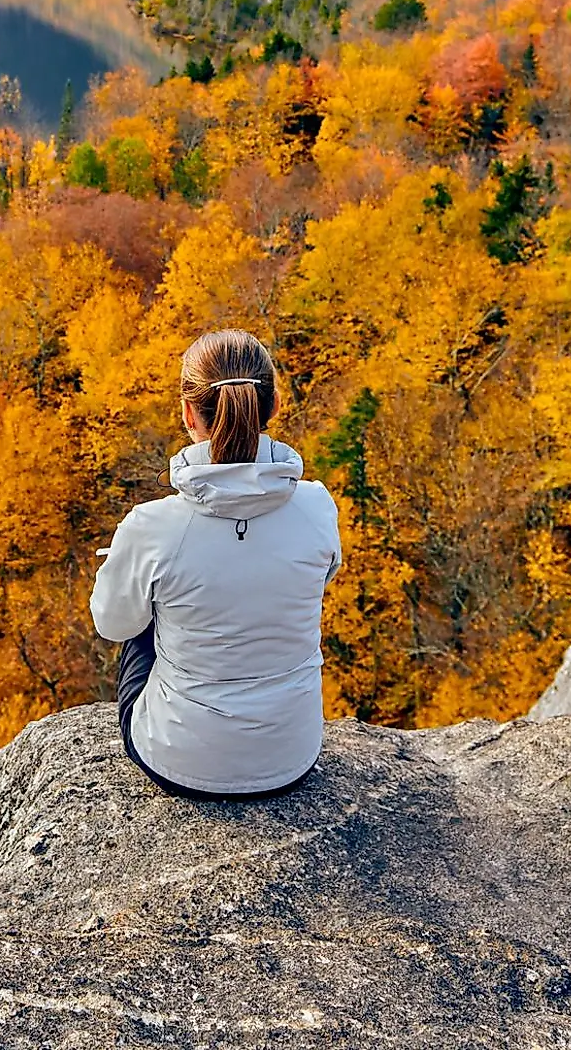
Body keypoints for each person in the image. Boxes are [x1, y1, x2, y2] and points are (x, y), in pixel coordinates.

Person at [89, 329, 341, 800]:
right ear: (275, 405)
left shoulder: (154, 526)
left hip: (180, 760)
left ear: (188, 413)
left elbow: (111, 623)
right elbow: (323, 576)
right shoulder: (317, 507)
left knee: (143, 614)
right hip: (293, 755)